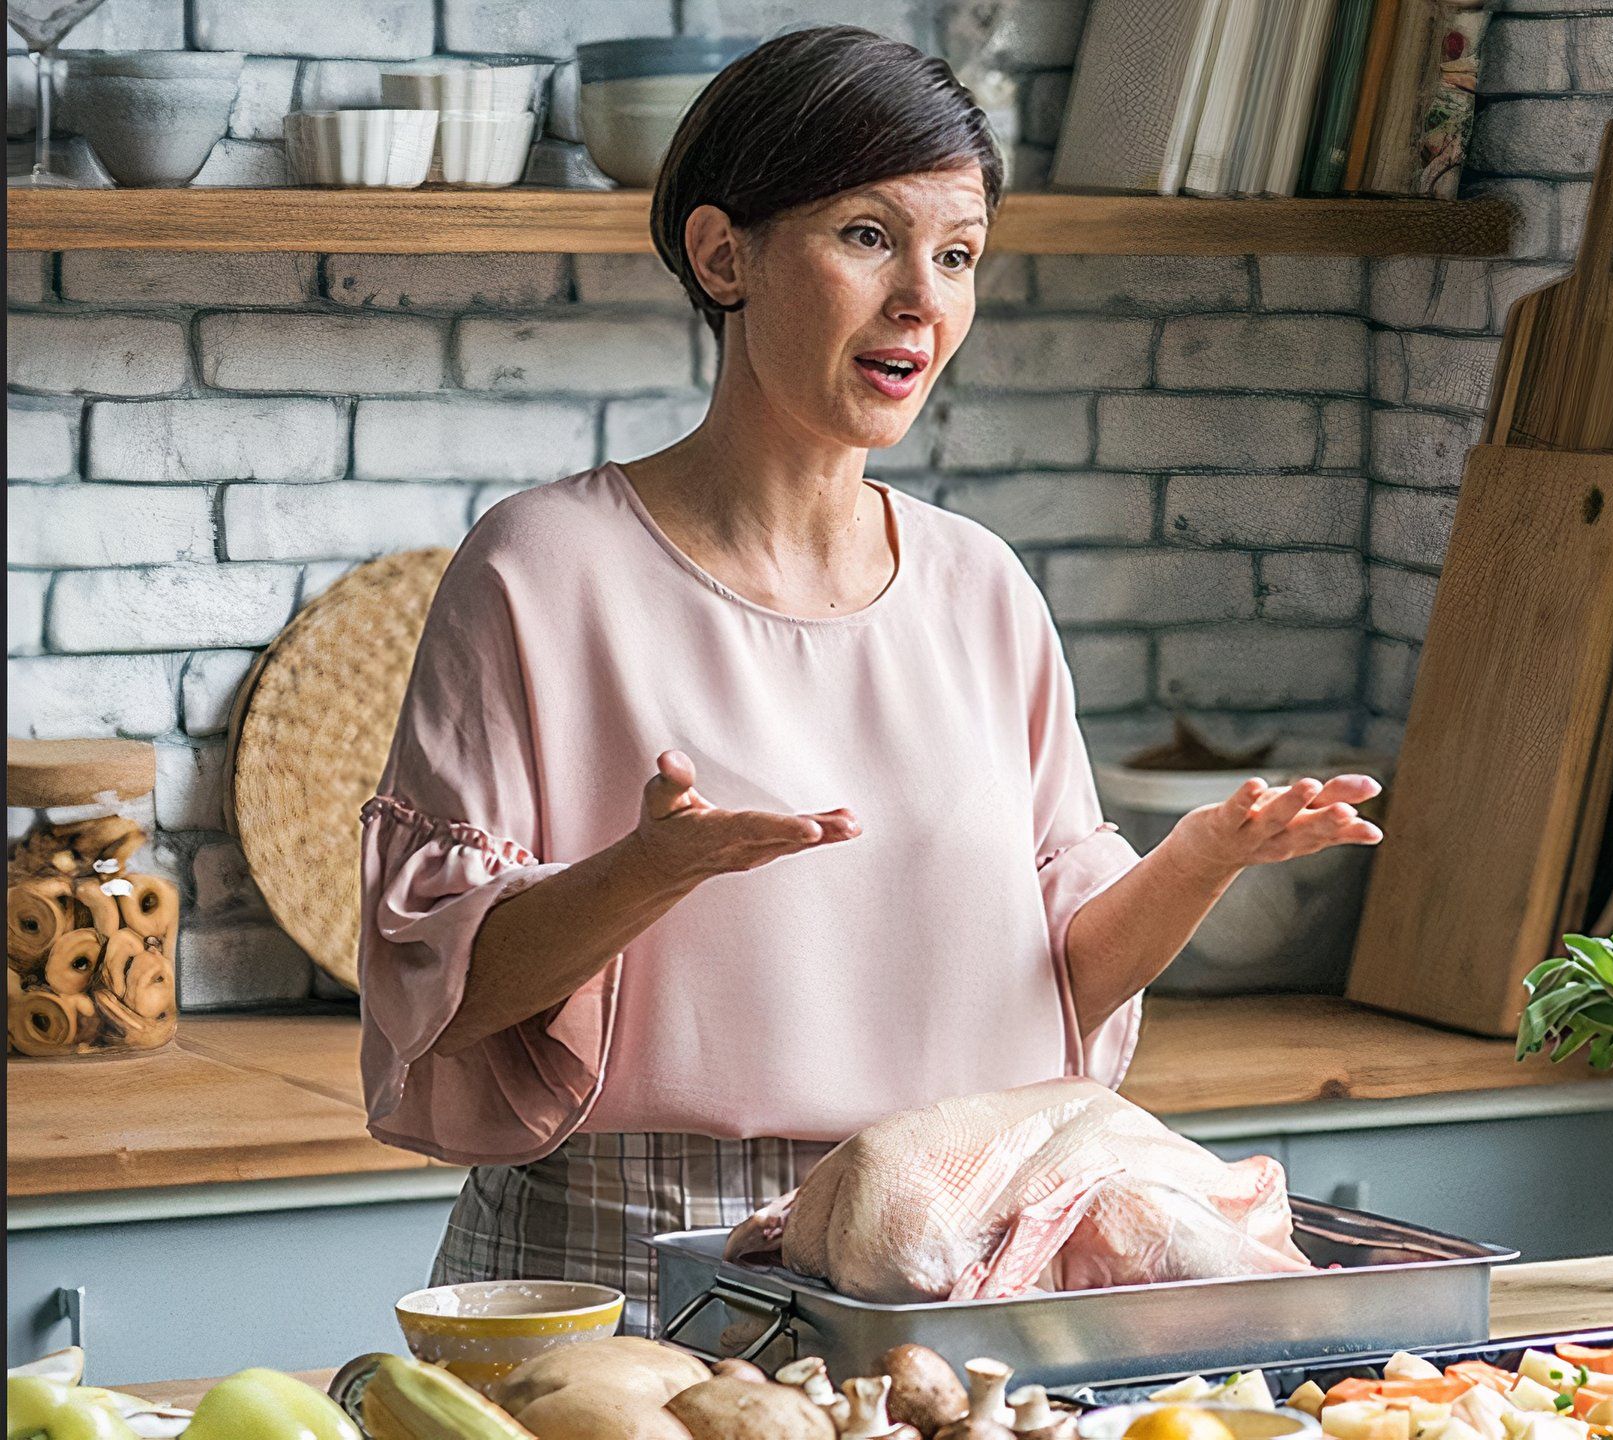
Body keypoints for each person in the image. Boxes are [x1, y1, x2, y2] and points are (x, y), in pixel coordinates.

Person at [358, 25, 1382, 1332]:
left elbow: (1061, 980)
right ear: (724, 254)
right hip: (624, 1270)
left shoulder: (983, 590)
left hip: (949, 1253)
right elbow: (440, 986)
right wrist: (649, 870)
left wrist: (1196, 861)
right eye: (867, 236)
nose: (924, 300)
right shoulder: (540, 571)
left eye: (957, 255)